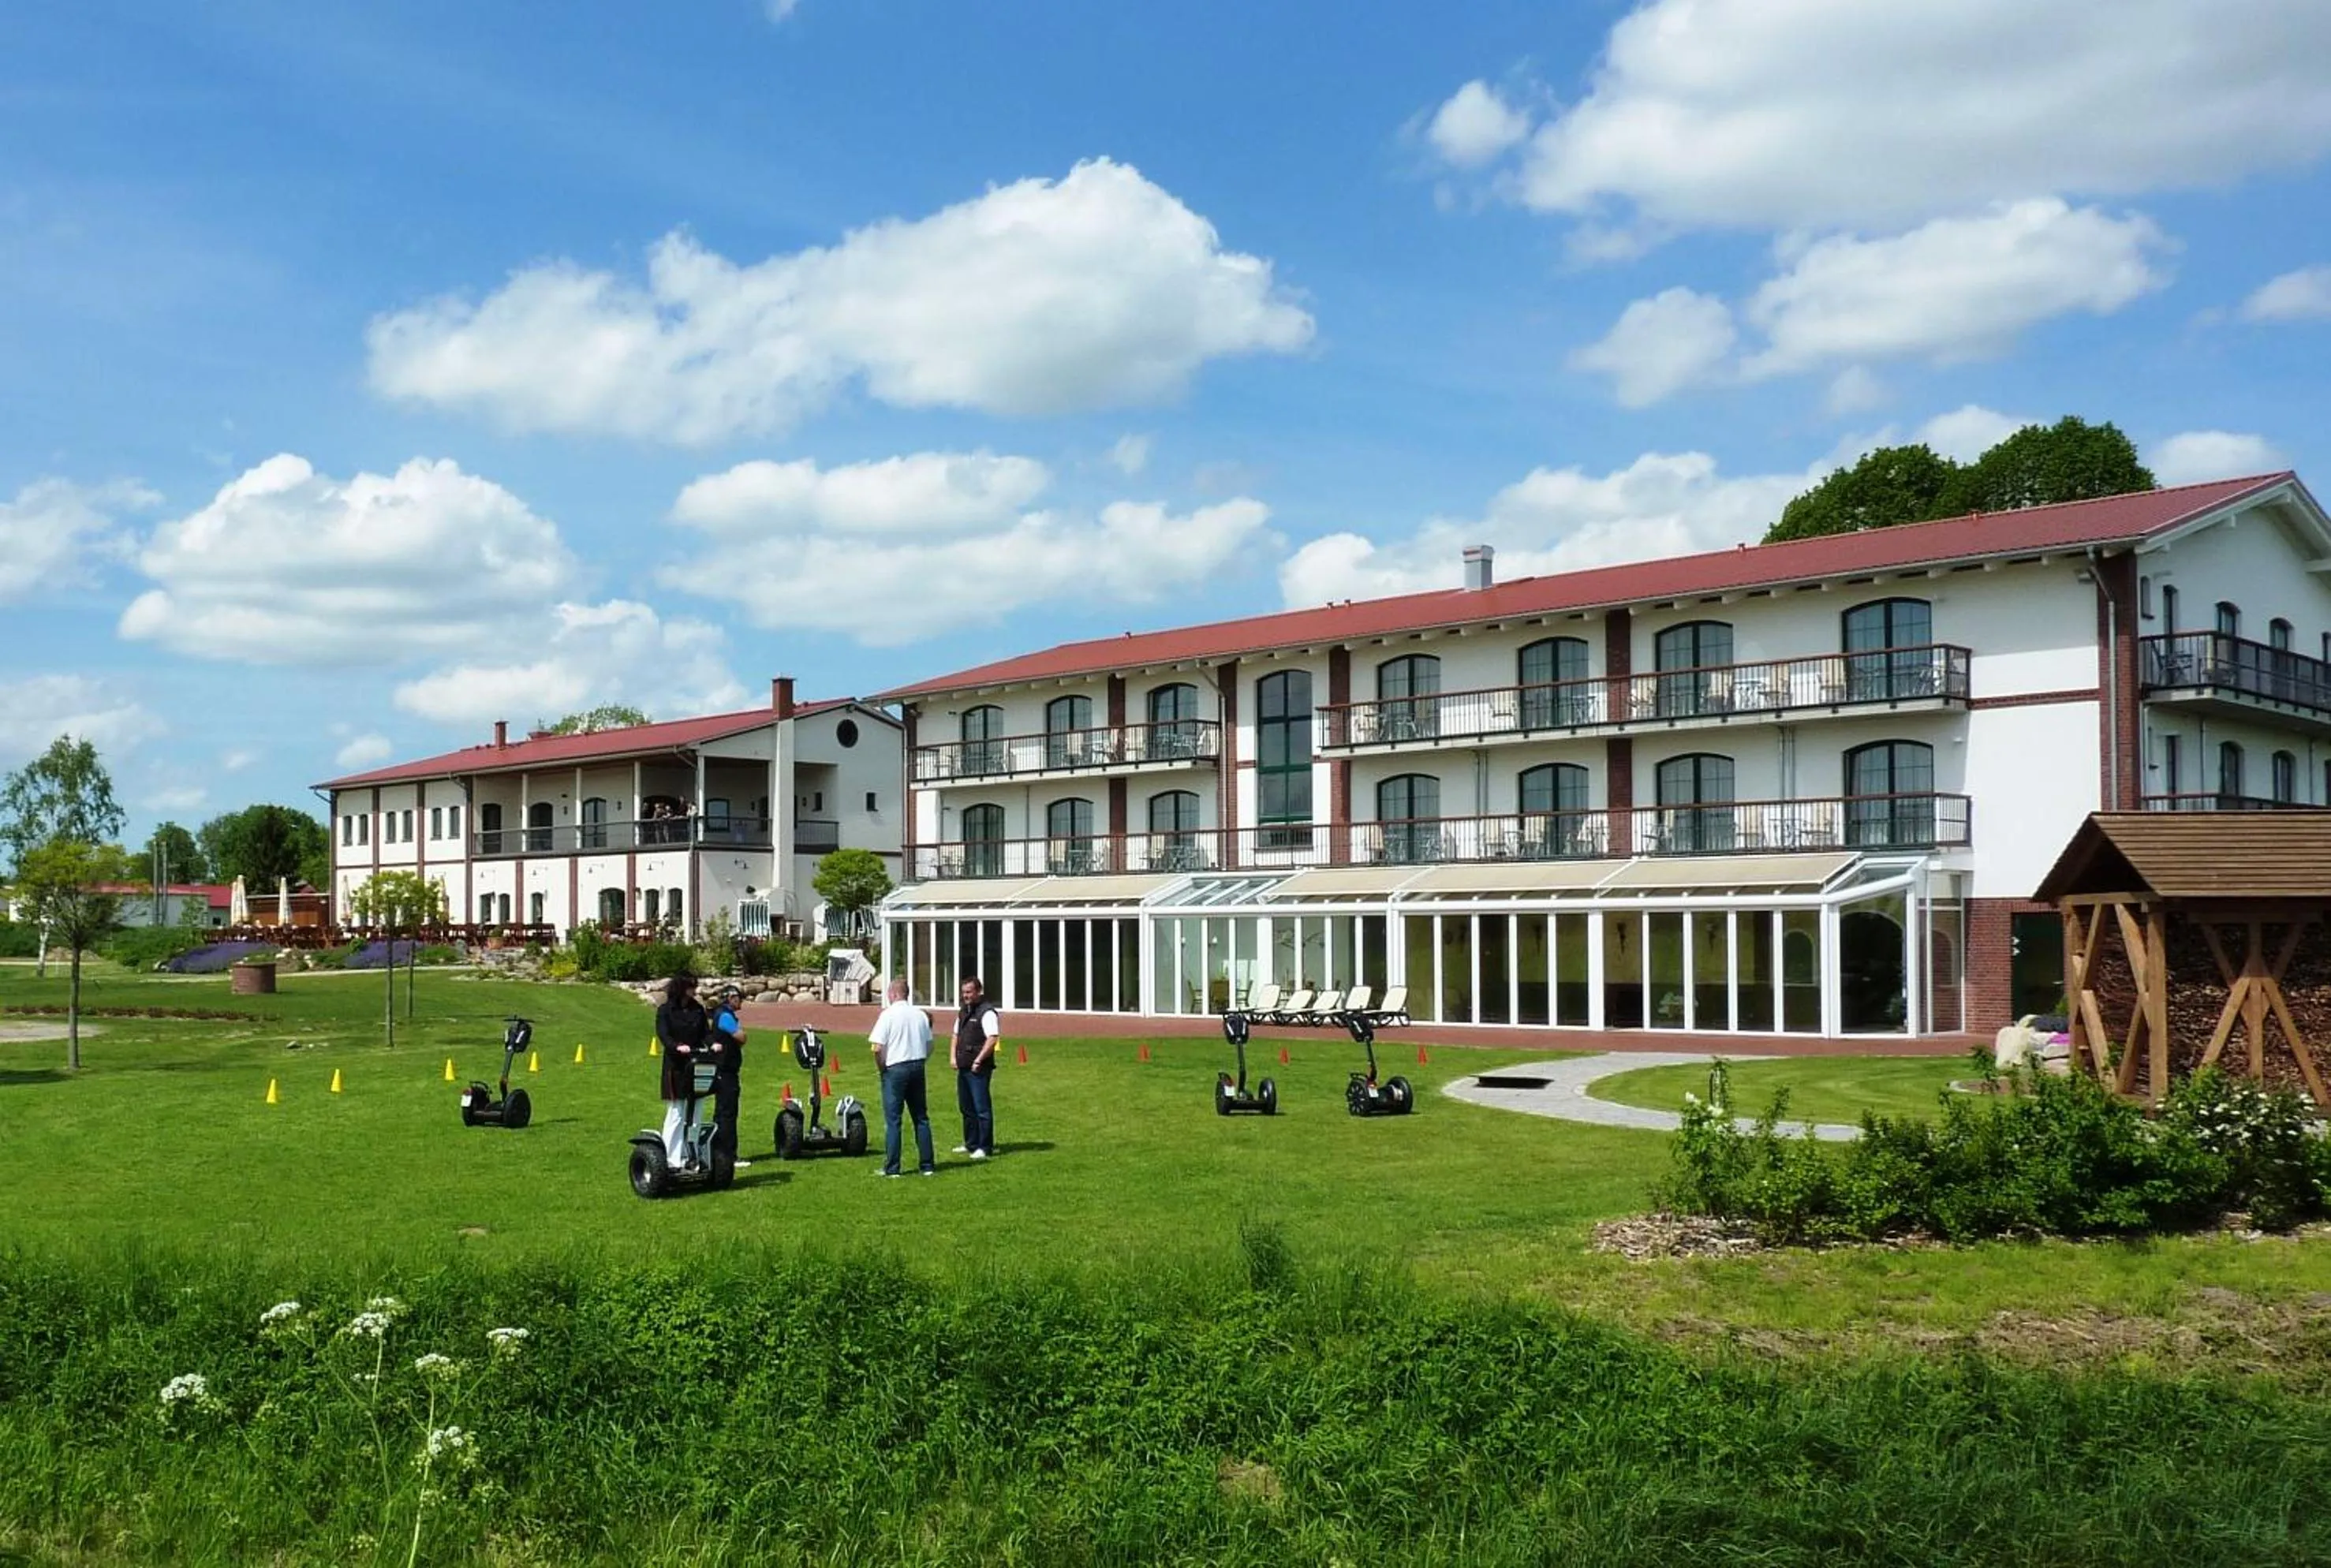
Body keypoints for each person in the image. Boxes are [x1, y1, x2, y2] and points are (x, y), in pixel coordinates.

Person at [868, 978, 936, 1178]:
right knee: (921, 1118)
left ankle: (893, 1167)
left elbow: (877, 1047)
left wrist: (882, 1068)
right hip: (917, 1066)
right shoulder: (920, 1015)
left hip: (896, 1068)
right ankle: (927, 1165)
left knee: (893, 1120)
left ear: (894, 994)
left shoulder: (887, 1016)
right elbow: (930, 1045)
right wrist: (921, 1061)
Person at [653, 973, 708, 1167]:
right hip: (675, 1067)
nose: (694, 990)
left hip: (696, 1065)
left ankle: (690, 1153)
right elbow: (663, 1035)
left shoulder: (698, 1010)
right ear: (681, 988)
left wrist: (712, 1044)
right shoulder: (666, 1011)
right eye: (691, 986)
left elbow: (705, 1034)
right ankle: (670, 1157)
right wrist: (676, 1046)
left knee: (696, 1111)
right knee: (676, 1112)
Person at [951, 976, 1002, 1161]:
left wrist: (979, 1060)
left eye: (969, 992)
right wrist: (952, 1057)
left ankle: (985, 1146)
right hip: (963, 1065)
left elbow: (992, 1038)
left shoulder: (987, 1013)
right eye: (963, 992)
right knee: (966, 1107)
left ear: (978, 992)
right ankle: (970, 1143)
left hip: (978, 1068)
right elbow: (955, 1035)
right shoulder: (964, 1011)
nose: (965, 996)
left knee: (982, 1108)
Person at [708, 984, 749, 1170]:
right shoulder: (725, 1016)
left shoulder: (721, 1014)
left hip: (722, 1070)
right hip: (726, 1072)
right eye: (739, 997)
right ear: (731, 998)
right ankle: (728, 1155)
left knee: (722, 1114)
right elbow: (741, 1037)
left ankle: (718, 1153)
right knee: (727, 1115)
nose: (741, 1001)